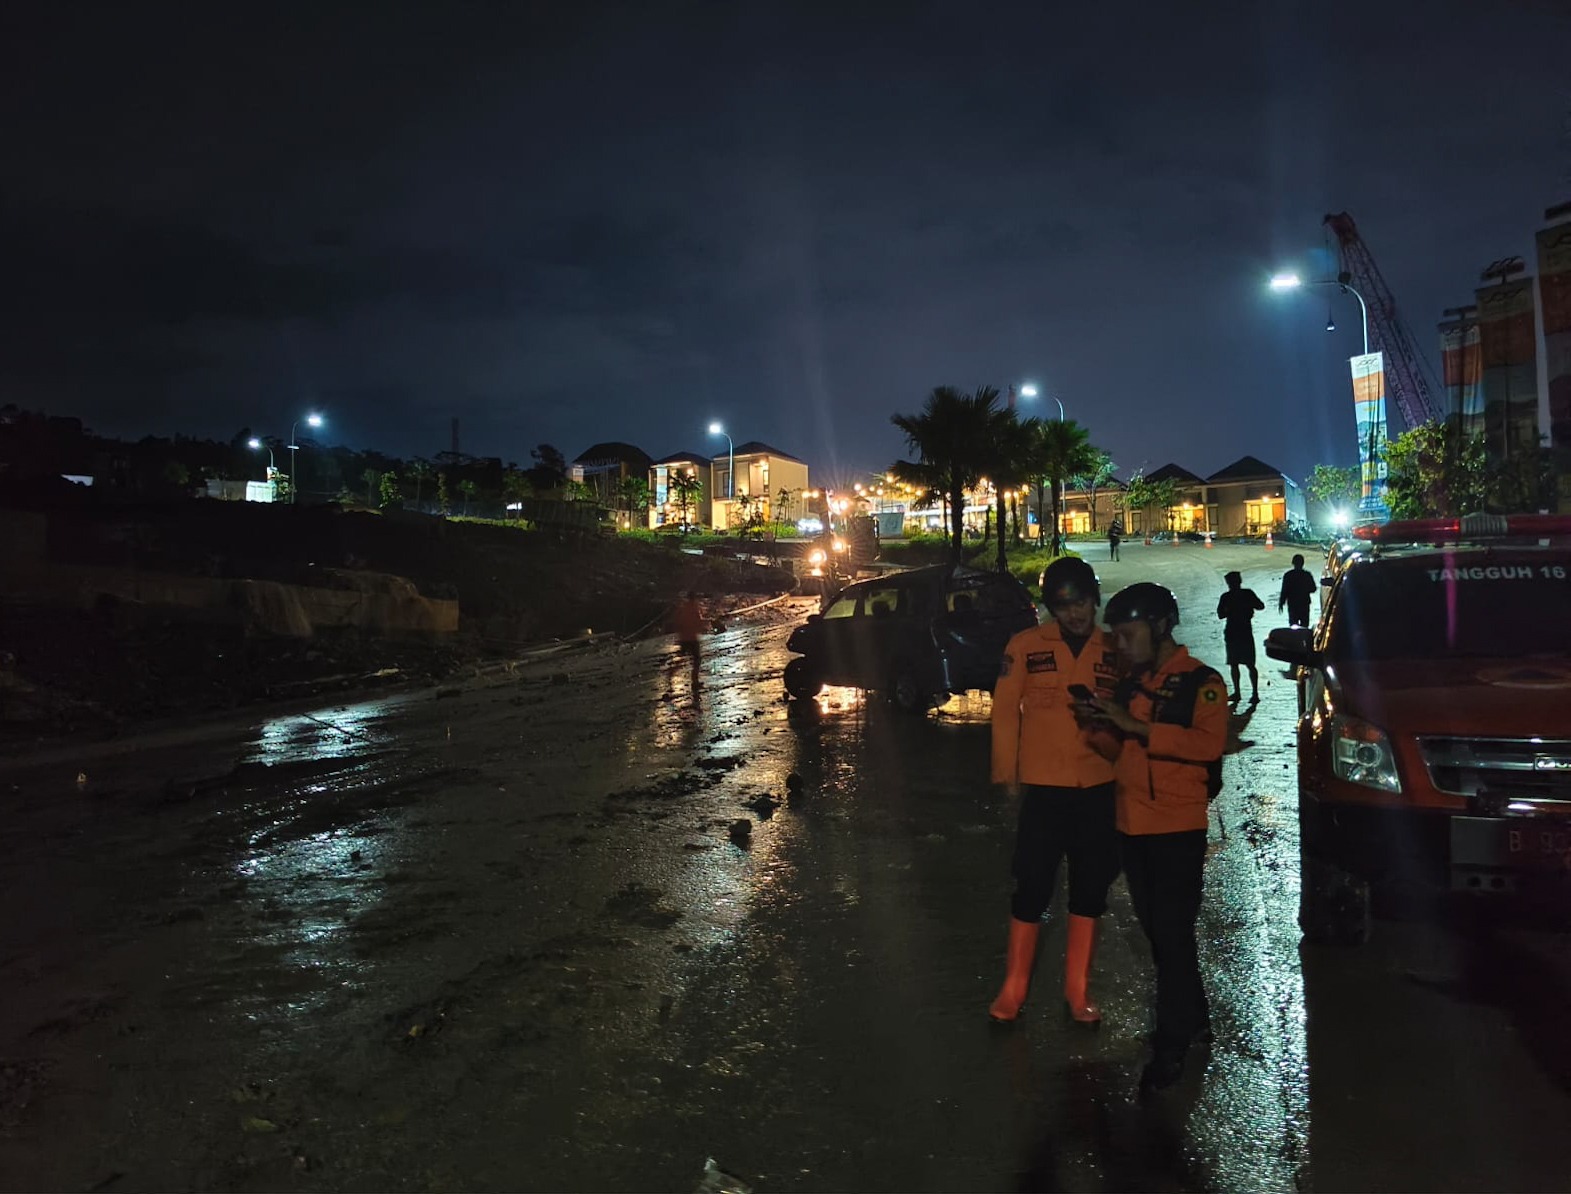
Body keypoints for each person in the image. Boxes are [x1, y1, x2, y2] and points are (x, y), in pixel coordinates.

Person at [1085, 583, 1228, 1093]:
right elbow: (1119, 757)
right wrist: (1098, 727)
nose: (1121, 647)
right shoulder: (1130, 686)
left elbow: (1209, 744)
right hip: (1132, 826)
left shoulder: (1202, 683)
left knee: (1171, 936)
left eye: (1128, 636)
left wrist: (1138, 727)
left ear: (1161, 627)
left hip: (1176, 829)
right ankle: (1196, 1016)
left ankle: (1171, 1045)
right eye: (1116, 638)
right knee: (1162, 936)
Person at [987, 558, 1121, 1027]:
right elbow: (1005, 712)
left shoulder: (1114, 649)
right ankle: (1014, 988)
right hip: (1044, 791)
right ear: (1051, 608)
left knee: (1090, 889)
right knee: (1031, 887)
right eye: (1063, 606)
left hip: (1099, 788)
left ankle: (1077, 991)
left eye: (1081, 602)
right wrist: (1006, 774)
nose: (1075, 614)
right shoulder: (1025, 646)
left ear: (1094, 600)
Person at [1216, 570, 1264, 705]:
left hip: (1232, 632)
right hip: (1245, 631)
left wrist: (1231, 610)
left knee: (1234, 664)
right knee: (1250, 664)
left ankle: (1237, 692)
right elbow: (1260, 606)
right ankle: (1255, 693)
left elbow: (1220, 614)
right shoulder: (1247, 594)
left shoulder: (1226, 597)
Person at [670, 592, 705, 689]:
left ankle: (671, 671)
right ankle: (695, 682)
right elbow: (698, 622)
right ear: (694, 599)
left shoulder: (683, 608)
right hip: (692, 638)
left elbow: (677, 622)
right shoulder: (694, 609)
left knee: (682, 657)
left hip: (684, 637)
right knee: (697, 660)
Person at [1278, 554, 1317, 628]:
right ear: (1303, 563)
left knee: (1293, 626)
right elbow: (1313, 589)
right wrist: (1305, 590)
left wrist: (1281, 603)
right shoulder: (1307, 575)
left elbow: (1284, 591)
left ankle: (1294, 639)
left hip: (1293, 605)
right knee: (1304, 626)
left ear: (1293, 563)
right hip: (1304, 604)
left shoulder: (1288, 575)